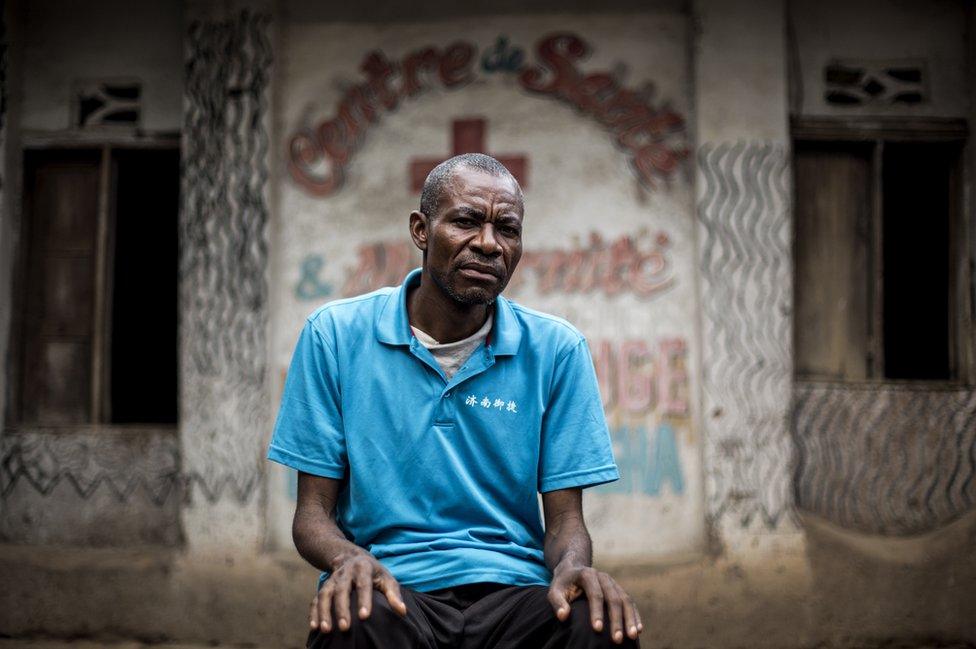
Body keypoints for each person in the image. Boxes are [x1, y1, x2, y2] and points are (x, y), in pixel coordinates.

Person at [268, 153, 642, 649]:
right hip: (392, 587)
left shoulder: (556, 349)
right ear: (421, 230)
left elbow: (567, 523)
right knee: (351, 622)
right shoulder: (335, 336)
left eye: (506, 229)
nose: (488, 244)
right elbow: (312, 516)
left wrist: (575, 570)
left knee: (598, 628)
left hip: (515, 593)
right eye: (466, 221)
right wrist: (348, 559)